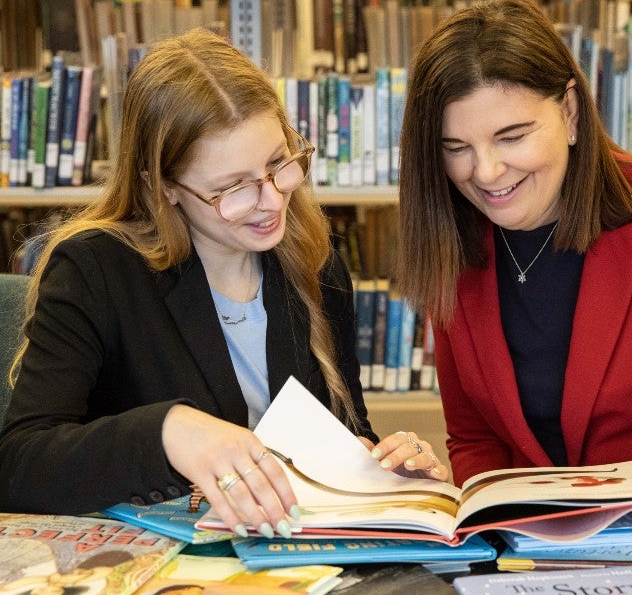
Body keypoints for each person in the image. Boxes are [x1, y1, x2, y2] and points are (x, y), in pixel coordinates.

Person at [0, 28, 447, 539]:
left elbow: (345, 433)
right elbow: (19, 466)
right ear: (162, 186)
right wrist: (169, 432)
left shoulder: (314, 263)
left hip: (293, 559)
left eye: (279, 163)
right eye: (232, 188)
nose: (273, 201)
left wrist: (385, 470)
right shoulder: (95, 270)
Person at [394, 0, 632, 513]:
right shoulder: (453, 241)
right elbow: (477, 440)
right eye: (456, 148)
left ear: (569, 112)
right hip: (530, 553)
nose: (486, 172)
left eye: (512, 136)